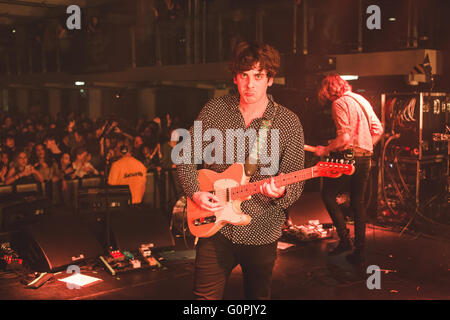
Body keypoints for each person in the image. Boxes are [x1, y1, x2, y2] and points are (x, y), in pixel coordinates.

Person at [176, 41, 305, 300]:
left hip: (261, 230)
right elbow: (185, 154)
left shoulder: (288, 122)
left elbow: (295, 180)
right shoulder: (215, 110)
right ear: (235, 77)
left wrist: (280, 192)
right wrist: (195, 193)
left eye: (258, 76)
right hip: (215, 229)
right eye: (244, 75)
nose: (250, 84)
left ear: (270, 79)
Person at [315, 74, 383, 266]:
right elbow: (378, 130)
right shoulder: (361, 99)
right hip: (366, 156)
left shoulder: (339, 104)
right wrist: (366, 146)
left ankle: (344, 240)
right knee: (358, 201)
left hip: (349, 157)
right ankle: (359, 252)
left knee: (328, 194)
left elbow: (344, 139)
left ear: (328, 92)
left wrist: (326, 149)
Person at [108, 138, 147, 205]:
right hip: (138, 206)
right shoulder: (141, 165)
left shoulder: (116, 166)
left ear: (123, 149)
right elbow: (143, 187)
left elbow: (111, 189)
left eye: (117, 147)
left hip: (121, 208)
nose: (115, 149)